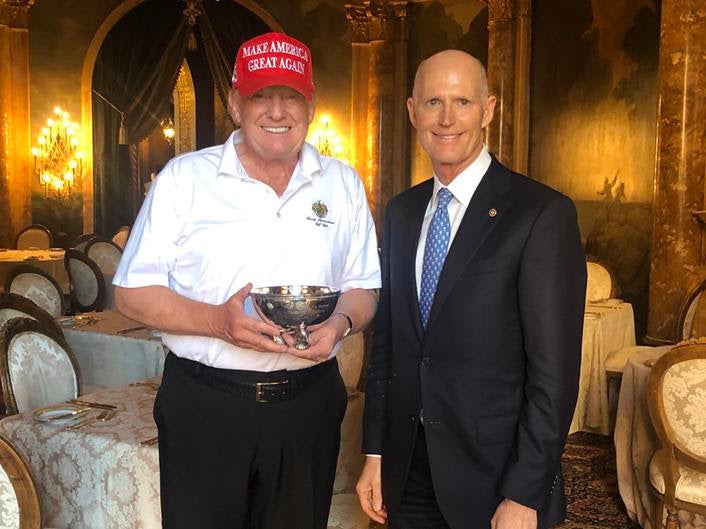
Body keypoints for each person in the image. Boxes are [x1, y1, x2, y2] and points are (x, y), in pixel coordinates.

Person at [113, 32, 380, 529]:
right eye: (261, 95)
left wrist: (342, 322)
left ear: (311, 105)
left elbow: (363, 287)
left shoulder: (341, 183)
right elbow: (131, 292)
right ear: (237, 104)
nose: (277, 110)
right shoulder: (184, 179)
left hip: (308, 404)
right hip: (206, 405)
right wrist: (217, 321)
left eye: (291, 96)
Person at [356, 49, 586, 529]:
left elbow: (555, 376)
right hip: (406, 473)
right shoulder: (400, 213)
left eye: (462, 101)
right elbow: (388, 346)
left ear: (489, 109)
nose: (446, 118)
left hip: (497, 482)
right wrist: (375, 451)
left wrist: (524, 493)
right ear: (412, 110)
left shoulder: (540, 214)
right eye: (433, 101)